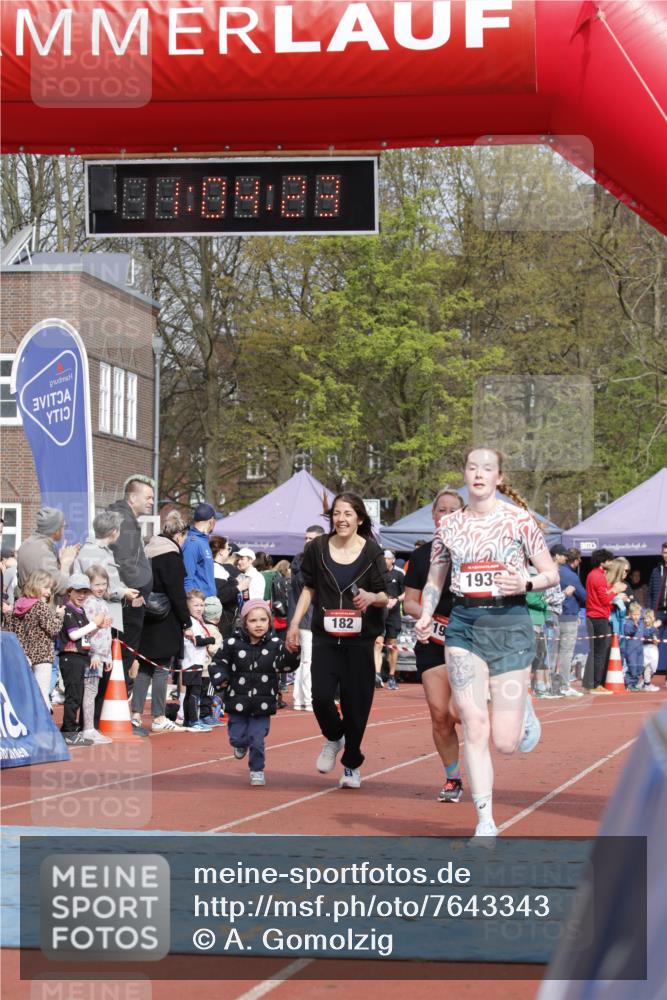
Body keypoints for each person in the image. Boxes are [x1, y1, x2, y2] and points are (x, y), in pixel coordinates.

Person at [414, 448, 559, 838]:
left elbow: (551, 573)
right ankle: (485, 820)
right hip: (464, 626)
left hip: (509, 624)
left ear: (499, 476)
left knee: (505, 742)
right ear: (465, 474)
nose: (478, 474)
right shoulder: (450, 527)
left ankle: (522, 708)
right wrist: (427, 613)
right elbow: (434, 581)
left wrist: (526, 582)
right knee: (474, 725)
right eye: (472, 467)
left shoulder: (519, 521)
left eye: (487, 468)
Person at [286, 492, 389, 789]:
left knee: (357, 705)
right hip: (325, 636)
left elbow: (385, 595)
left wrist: (371, 597)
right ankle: (333, 737)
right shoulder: (318, 548)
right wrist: (293, 624)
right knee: (319, 697)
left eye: (347, 514)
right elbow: (308, 589)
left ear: (359, 518)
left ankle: (351, 763)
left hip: (359, 640)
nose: (341, 519)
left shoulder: (371, 552)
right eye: (336, 514)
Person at [403, 487, 465, 803]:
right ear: (433, 515)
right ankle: (453, 778)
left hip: (471, 641)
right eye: (442, 509)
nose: (448, 515)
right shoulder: (421, 555)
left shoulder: (477, 552)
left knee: (463, 711)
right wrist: (425, 614)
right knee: (441, 714)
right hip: (435, 640)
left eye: (454, 509)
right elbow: (409, 603)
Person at [210, 599, 299, 785]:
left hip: (263, 702)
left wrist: (292, 652)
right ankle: (240, 745)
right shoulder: (232, 643)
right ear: (244, 622)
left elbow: (286, 666)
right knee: (237, 737)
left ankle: (257, 770)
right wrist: (221, 678)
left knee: (257, 739)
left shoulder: (275, 644)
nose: (258, 625)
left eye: (262, 620)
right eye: (253, 621)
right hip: (237, 700)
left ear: (269, 621)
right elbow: (218, 662)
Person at [131, 511, 192, 734]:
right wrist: (187, 622)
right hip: (165, 617)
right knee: (161, 668)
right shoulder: (171, 557)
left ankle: (136, 714)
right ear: (179, 535)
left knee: (146, 666)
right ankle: (158, 716)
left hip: (147, 614)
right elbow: (177, 593)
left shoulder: (148, 551)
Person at [107, 477, 154, 691]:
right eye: (148, 497)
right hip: (128, 603)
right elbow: (125, 561)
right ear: (133, 498)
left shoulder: (126, 520)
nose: (152, 501)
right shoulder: (125, 522)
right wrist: (136, 591)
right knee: (124, 654)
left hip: (129, 599)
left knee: (124, 654)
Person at [59, 573, 112, 747]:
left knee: (78, 695)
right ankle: (68, 731)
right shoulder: (67, 610)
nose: (81, 595)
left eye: (84, 592)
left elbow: (85, 637)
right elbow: (74, 635)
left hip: (81, 657)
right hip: (70, 658)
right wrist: (94, 624)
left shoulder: (79, 611)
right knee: (73, 696)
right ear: (69, 592)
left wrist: (95, 649)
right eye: (78, 592)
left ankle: (71, 730)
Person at [73, 511, 139, 633]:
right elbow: (98, 586)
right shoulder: (96, 552)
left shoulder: (94, 550)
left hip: (99, 615)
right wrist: (124, 592)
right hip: (100, 618)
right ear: (114, 531)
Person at [7, 570, 65, 708]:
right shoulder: (40, 607)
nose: (49, 592)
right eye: (45, 587)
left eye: (50, 589)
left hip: (23, 654)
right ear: (35, 585)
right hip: (42, 655)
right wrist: (59, 615)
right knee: (42, 693)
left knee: (25, 693)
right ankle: (43, 725)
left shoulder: (18, 605)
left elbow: (10, 629)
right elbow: (53, 629)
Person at [289, 525, 325, 712]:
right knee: (308, 662)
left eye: (311, 539)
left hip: (306, 619)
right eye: (306, 538)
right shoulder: (306, 565)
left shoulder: (301, 564)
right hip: (307, 619)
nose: (307, 542)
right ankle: (308, 699)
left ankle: (299, 699)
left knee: (304, 662)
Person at [584, 548, 625, 694]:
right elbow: (604, 600)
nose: (611, 563)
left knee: (594, 651)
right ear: (603, 562)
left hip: (592, 616)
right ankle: (596, 684)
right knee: (599, 652)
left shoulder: (593, 575)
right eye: (609, 560)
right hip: (598, 617)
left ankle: (590, 683)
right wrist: (615, 590)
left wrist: (613, 592)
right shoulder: (598, 576)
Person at [81, 565, 114, 744]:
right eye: (97, 584)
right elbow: (88, 631)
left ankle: (90, 727)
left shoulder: (103, 603)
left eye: (104, 583)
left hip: (102, 655)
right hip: (92, 656)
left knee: (93, 691)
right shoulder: (90, 603)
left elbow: (106, 632)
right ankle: (88, 728)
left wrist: (107, 656)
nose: (101, 588)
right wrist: (93, 653)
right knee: (90, 691)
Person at [17, 507, 80, 596]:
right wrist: (66, 564)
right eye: (63, 526)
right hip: (40, 608)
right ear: (56, 529)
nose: (64, 530)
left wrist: (60, 562)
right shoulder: (42, 552)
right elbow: (62, 588)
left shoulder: (27, 543)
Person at [181, 589, 217, 732]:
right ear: (188, 606)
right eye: (196, 605)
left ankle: (187, 720)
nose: (199, 609)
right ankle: (194, 721)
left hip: (196, 661)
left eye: (202, 605)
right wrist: (211, 639)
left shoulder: (197, 621)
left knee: (190, 693)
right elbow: (197, 640)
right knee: (194, 693)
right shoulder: (190, 622)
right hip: (192, 661)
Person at [555, 548, 586, 697]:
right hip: (568, 615)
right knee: (566, 652)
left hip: (555, 615)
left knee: (552, 651)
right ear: (575, 561)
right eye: (579, 560)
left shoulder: (557, 571)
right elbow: (584, 595)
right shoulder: (571, 576)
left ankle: (549, 684)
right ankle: (564, 684)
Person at [378, 550, 405, 690]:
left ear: (393, 560)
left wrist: (395, 600)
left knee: (392, 645)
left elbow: (406, 593)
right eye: (383, 558)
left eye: (387, 558)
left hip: (393, 614)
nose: (384, 561)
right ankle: (376, 675)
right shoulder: (378, 572)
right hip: (379, 612)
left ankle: (392, 676)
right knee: (377, 643)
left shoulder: (399, 574)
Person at [182, 502, 220, 596]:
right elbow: (187, 579)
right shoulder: (193, 543)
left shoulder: (202, 541)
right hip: (199, 604)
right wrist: (192, 604)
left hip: (207, 602)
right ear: (211, 521)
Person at [210, 535, 242, 635]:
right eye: (228, 548)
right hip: (221, 621)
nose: (229, 551)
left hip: (225, 619)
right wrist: (239, 587)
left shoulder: (218, 568)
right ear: (220, 551)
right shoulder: (215, 569)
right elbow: (220, 595)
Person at [648, 542, 667, 675]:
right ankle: (652, 672)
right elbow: (650, 593)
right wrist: (651, 612)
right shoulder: (656, 570)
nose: (666, 555)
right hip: (658, 612)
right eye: (664, 552)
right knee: (654, 641)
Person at [641, 609, 662, 691]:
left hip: (653, 650)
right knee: (646, 667)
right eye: (645, 618)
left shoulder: (655, 629)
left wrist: (655, 639)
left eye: (649, 618)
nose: (647, 620)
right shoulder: (643, 628)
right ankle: (646, 684)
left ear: (652, 618)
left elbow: (656, 640)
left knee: (652, 668)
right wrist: (653, 628)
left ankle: (646, 682)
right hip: (645, 649)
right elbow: (645, 634)